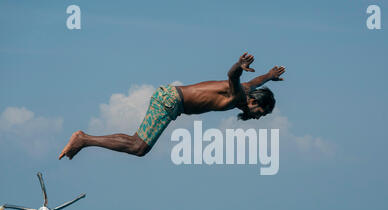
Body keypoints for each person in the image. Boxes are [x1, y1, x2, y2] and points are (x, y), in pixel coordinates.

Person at [58, 53, 285, 160]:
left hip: (171, 99)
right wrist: (238, 65)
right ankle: (84, 139)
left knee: (139, 147)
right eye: (259, 113)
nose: (257, 118)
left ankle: (85, 140)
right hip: (171, 101)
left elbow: (258, 81)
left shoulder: (250, 89)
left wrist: (270, 75)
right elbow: (231, 75)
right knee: (139, 146)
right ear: (253, 102)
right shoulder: (238, 96)